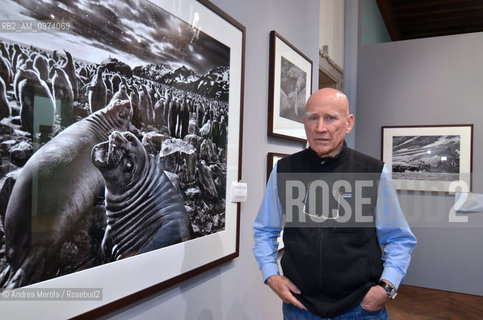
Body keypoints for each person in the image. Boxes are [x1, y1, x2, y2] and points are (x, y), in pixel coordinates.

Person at [253, 88, 417, 319]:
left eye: (330, 118)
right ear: (304, 122)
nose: (320, 128)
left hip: (361, 309)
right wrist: (271, 275)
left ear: (348, 123)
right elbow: (264, 230)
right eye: (313, 118)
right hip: (300, 309)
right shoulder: (284, 170)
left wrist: (387, 287)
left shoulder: (372, 171)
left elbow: (399, 238)